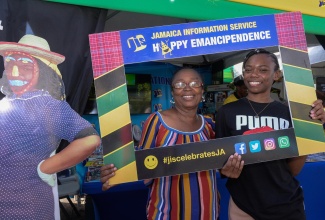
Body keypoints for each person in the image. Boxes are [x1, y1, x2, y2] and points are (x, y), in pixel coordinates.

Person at [100, 67, 244, 220]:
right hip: (166, 213)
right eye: (180, 84)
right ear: (173, 92)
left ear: (202, 90)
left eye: (194, 83)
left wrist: (229, 168)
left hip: (208, 212)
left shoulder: (210, 125)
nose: (187, 88)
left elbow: (221, 163)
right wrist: (116, 173)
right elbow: (143, 165)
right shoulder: (156, 121)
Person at [216, 48, 325, 220]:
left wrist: (311, 128)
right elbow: (221, 161)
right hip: (243, 207)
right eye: (248, 69)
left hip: (286, 204)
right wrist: (226, 169)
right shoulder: (226, 112)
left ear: (277, 75)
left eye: (263, 69)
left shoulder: (291, 114)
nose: (254, 74)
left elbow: (293, 170)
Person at [0, 34, 101, 219]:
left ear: (43, 70)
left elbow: (90, 139)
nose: (15, 72)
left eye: (25, 65)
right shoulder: (7, 103)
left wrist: (45, 168)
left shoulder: (47, 105)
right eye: (10, 63)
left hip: (25, 208)